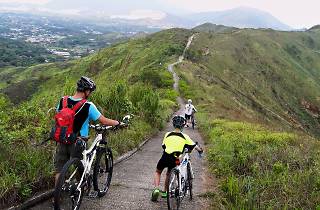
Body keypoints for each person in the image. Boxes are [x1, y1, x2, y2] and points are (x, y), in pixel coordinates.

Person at [54, 76, 120, 186]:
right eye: (90, 91)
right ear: (87, 91)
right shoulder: (88, 105)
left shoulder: (63, 100)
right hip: (78, 141)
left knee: (59, 170)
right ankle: (80, 188)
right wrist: (117, 123)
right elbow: (103, 121)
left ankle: (56, 197)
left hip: (62, 138)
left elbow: (59, 116)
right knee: (80, 167)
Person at [151, 115, 203, 201]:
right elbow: (194, 146)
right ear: (183, 125)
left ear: (173, 125)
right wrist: (200, 150)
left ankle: (156, 189)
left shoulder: (167, 134)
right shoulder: (185, 136)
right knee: (169, 173)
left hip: (165, 156)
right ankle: (165, 192)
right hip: (175, 159)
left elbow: (163, 146)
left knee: (158, 171)